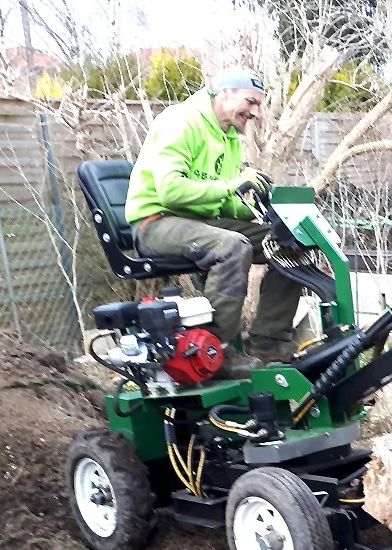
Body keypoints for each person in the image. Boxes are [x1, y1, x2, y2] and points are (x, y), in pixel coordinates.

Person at [125, 68, 300, 376]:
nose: (256, 112)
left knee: (289, 243)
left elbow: (220, 199)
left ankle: (269, 344)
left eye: (259, 105)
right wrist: (234, 186)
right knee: (231, 247)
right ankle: (214, 352)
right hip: (156, 222)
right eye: (251, 102)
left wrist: (262, 209)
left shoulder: (229, 136)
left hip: (201, 221)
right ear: (224, 94)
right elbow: (171, 191)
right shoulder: (181, 121)